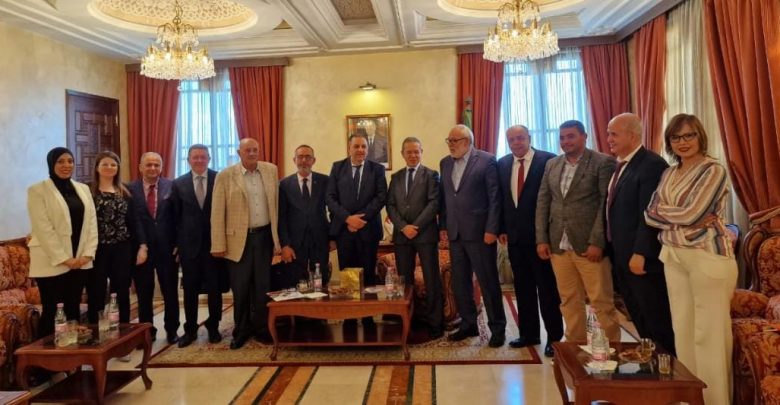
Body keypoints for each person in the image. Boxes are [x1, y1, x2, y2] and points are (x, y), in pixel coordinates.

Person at [645, 113, 737, 405]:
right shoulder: (669, 173)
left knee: (709, 336)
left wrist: (670, 216)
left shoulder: (713, 170)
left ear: (700, 136)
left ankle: (715, 400)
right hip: (674, 256)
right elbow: (649, 213)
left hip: (708, 257)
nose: (682, 142)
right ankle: (691, 398)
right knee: (683, 331)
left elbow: (691, 213)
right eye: (676, 137)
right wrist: (679, 217)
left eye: (689, 135)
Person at [535, 120, 620, 343]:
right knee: (568, 301)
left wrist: (598, 242)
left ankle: (611, 351)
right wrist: (541, 239)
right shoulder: (552, 164)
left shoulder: (603, 162)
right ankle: (575, 348)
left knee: (601, 302)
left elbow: (605, 204)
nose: (565, 141)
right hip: (559, 246)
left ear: (584, 136)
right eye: (562, 137)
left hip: (588, 246)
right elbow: (543, 201)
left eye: (571, 136)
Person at [605, 113, 674, 354]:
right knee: (637, 312)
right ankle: (649, 357)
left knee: (654, 315)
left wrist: (641, 253)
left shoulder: (651, 165)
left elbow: (650, 215)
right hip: (622, 254)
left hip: (642, 259)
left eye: (614, 134)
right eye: (608, 134)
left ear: (633, 136)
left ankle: (665, 363)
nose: (609, 139)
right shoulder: (622, 165)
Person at [497, 125, 562, 357]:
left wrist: (547, 234)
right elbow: (502, 199)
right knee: (523, 289)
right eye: (511, 139)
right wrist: (502, 228)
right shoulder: (503, 164)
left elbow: (554, 199)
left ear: (529, 138)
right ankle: (529, 334)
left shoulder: (549, 160)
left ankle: (554, 338)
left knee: (547, 289)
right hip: (514, 238)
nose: (516, 143)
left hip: (540, 239)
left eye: (520, 138)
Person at [439, 125, 506, 347]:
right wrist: (444, 227)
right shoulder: (445, 163)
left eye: (454, 140)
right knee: (460, 282)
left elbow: (494, 198)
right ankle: (468, 324)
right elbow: (446, 198)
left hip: (480, 233)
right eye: (449, 140)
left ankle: (498, 329)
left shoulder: (486, 160)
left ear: (467, 141)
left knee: (488, 282)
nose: (450, 144)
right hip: (455, 233)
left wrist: (492, 229)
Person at [211, 138, 280, 350]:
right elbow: (217, 211)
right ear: (239, 152)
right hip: (237, 240)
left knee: (263, 287)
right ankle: (241, 330)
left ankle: (262, 329)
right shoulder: (226, 175)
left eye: (255, 150)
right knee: (240, 288)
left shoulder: (270, 170)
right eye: (248, 150)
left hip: (264, 237)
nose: (252, 153)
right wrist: (218, 244)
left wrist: (278, 241)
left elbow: (276, 204)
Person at [27, 147, 98, 338]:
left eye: (70, 161)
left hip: (80, 261)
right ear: (51, 164)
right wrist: (64, 259)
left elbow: (92, 223)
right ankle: (44, 356)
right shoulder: (37, 190)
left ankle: (71, 354)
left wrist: (87, 254)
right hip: (51, 262)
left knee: (73, 310)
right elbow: (43, 228)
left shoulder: (83, 189)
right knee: (53, 311)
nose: (66, 165)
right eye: (60, 161)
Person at [326, 134, 387, 326]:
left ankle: (368, 316)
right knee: (348, 274)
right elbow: (330, 197)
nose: (360, 150)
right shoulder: (337, 167)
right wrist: (348, 218)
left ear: (367, 149)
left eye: (364, 146)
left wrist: (361, 219)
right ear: (349, 148)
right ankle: (350, 316)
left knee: (368, 274)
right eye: (357, 146)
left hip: (368, 230)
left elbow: (381, 197)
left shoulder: (377, 169)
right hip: (344, 231)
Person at [386, 137, 443, 339]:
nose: (413, 155)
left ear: (421, 152)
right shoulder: (396, 177)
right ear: (402, 154)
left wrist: (415, 226)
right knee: (405, 281)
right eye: (409, 152)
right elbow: (390, 205)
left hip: (425, 235)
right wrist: (403, 227)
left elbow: (434, 204)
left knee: (431, 279)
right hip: (402, 237)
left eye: (416, 151)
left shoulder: (432, 175)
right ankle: (410, 320)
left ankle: (435, 323)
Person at [170, 145, 222, 348]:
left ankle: (214, 326)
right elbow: (175, 217)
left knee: (215, 289)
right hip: (189, 246)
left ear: (209, 158)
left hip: (215, 245)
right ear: (188, 160)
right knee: (190, 290)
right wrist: (177, 244)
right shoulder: (178, 183)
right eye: (195, 157)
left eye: (203, 157)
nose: (199, 160)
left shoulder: (220, 179)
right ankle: (190, 329)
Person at [128, 152, 179, 344]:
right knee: (144, 294)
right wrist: (139, 246)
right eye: (148, 164)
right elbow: (130, 220)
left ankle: (172, 330)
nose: (153, 168)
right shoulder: (129, 189)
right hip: (141, 250)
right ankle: (147, 332)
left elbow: (178, 216)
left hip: (167, 249)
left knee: (170, 292)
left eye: (157, 165)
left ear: (162, 167)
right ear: (140, 167)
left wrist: (178, 244)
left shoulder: (172, 186)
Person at [87, 151, 139, 329]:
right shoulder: (88, 191)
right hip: (97, 249)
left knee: (122, 292)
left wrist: (141, 246)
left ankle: (123, 332)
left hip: (122, 248)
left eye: (113, 164)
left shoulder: (126, 191)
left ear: (118, 168)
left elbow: (133, 221)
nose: (109, 167)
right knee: (96, 292)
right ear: (97, 168)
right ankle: (95, 332)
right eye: (105, 164)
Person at [279, 145, 331, 285]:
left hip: (320, 241)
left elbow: (333, 210)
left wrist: (333, 237)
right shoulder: (284, 185)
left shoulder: (325, 181)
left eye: (308, 157)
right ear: (294, 160)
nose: (304, 160)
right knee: (296, 283)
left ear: (314, 160)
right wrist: (285, 245)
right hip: (295, 243)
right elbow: (281, 218)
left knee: (321, 282)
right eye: (300, 157)